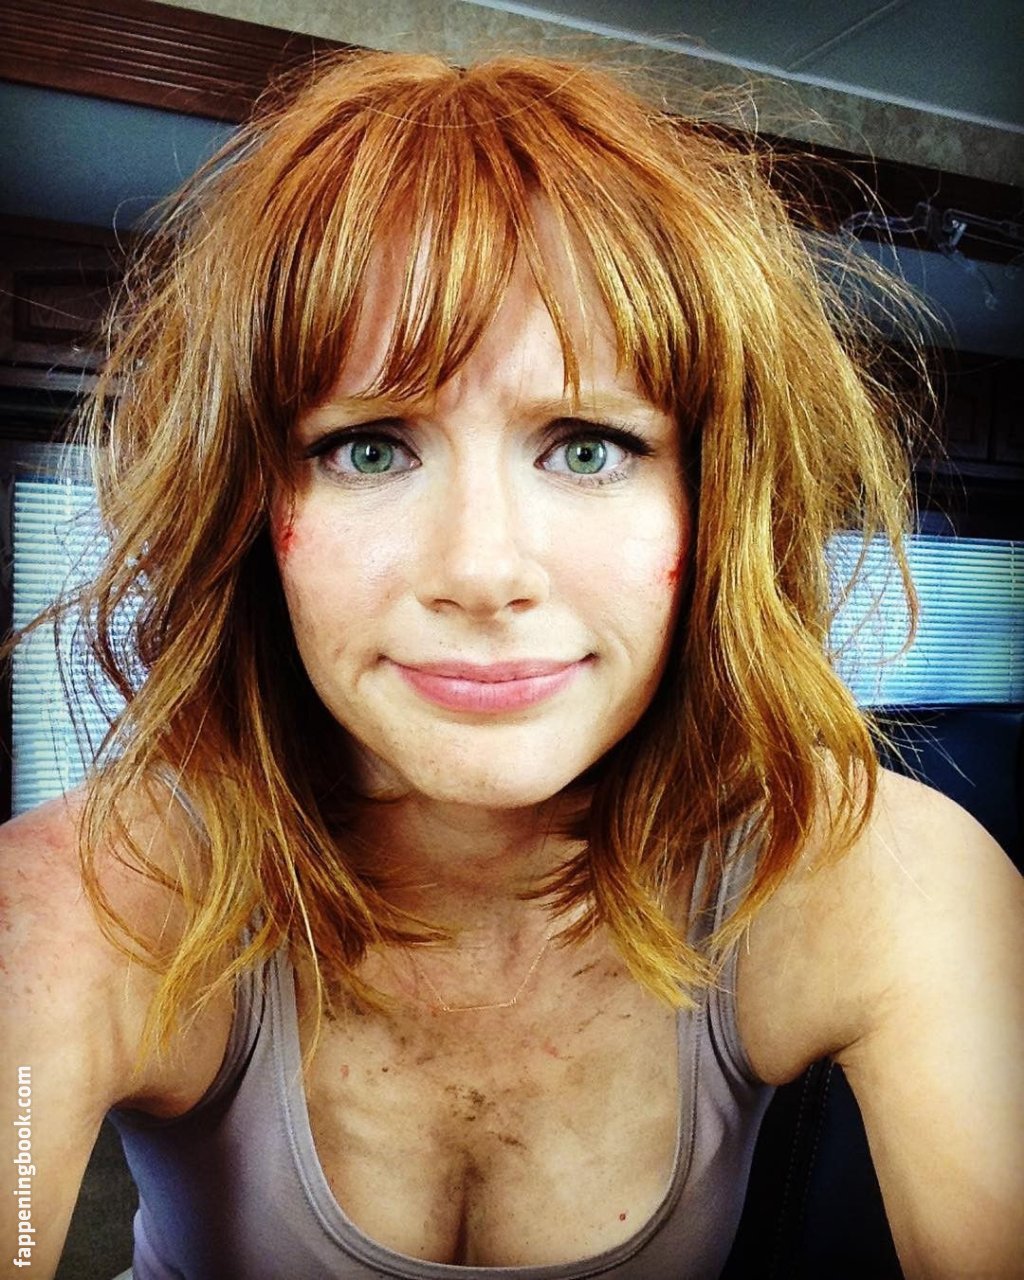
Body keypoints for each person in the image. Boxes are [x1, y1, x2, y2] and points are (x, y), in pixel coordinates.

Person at [1, 49, 1021, 1280]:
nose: (482, 571)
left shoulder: (880, 875)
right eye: (368, 447)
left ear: (716, 501)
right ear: (249, 508)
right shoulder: (75, 902)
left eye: (587, 446)